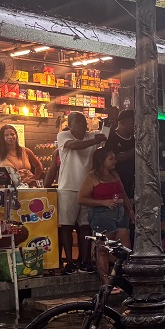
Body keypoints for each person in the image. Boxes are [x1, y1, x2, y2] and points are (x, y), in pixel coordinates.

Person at [57, 111, 107, 274]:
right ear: (69, 124)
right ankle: (69, 262)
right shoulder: (63, 136)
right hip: (67, 187)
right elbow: (74, 146)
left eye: (84, 122)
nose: (82, 125)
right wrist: (94, 140)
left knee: (85, 226)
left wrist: (106, 127)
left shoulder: (92, 135)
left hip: (86, 187)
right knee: (66, 225)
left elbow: (106, 134)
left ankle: (85, 261)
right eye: (77, 122)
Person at [77, 147, 133, 284]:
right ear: (102, 161)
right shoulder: (91, 177)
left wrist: (131, 212)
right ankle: (106, 282)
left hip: (119, 212)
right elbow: (81, 198)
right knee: (103, 249)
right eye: (111, 159)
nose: (115, 161)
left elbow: (124, 194)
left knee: (124, 249)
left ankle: (119, 277)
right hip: (102, 214)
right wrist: (103, 202)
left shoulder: (114, 174)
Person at [104, 109, 136, 201]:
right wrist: (135, 151)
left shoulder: (135, 139)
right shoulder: (111, 137)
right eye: (132, 123)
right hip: (115, 183)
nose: (135, 126)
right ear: (123, 122)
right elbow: (113, 158)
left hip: (131, 183)